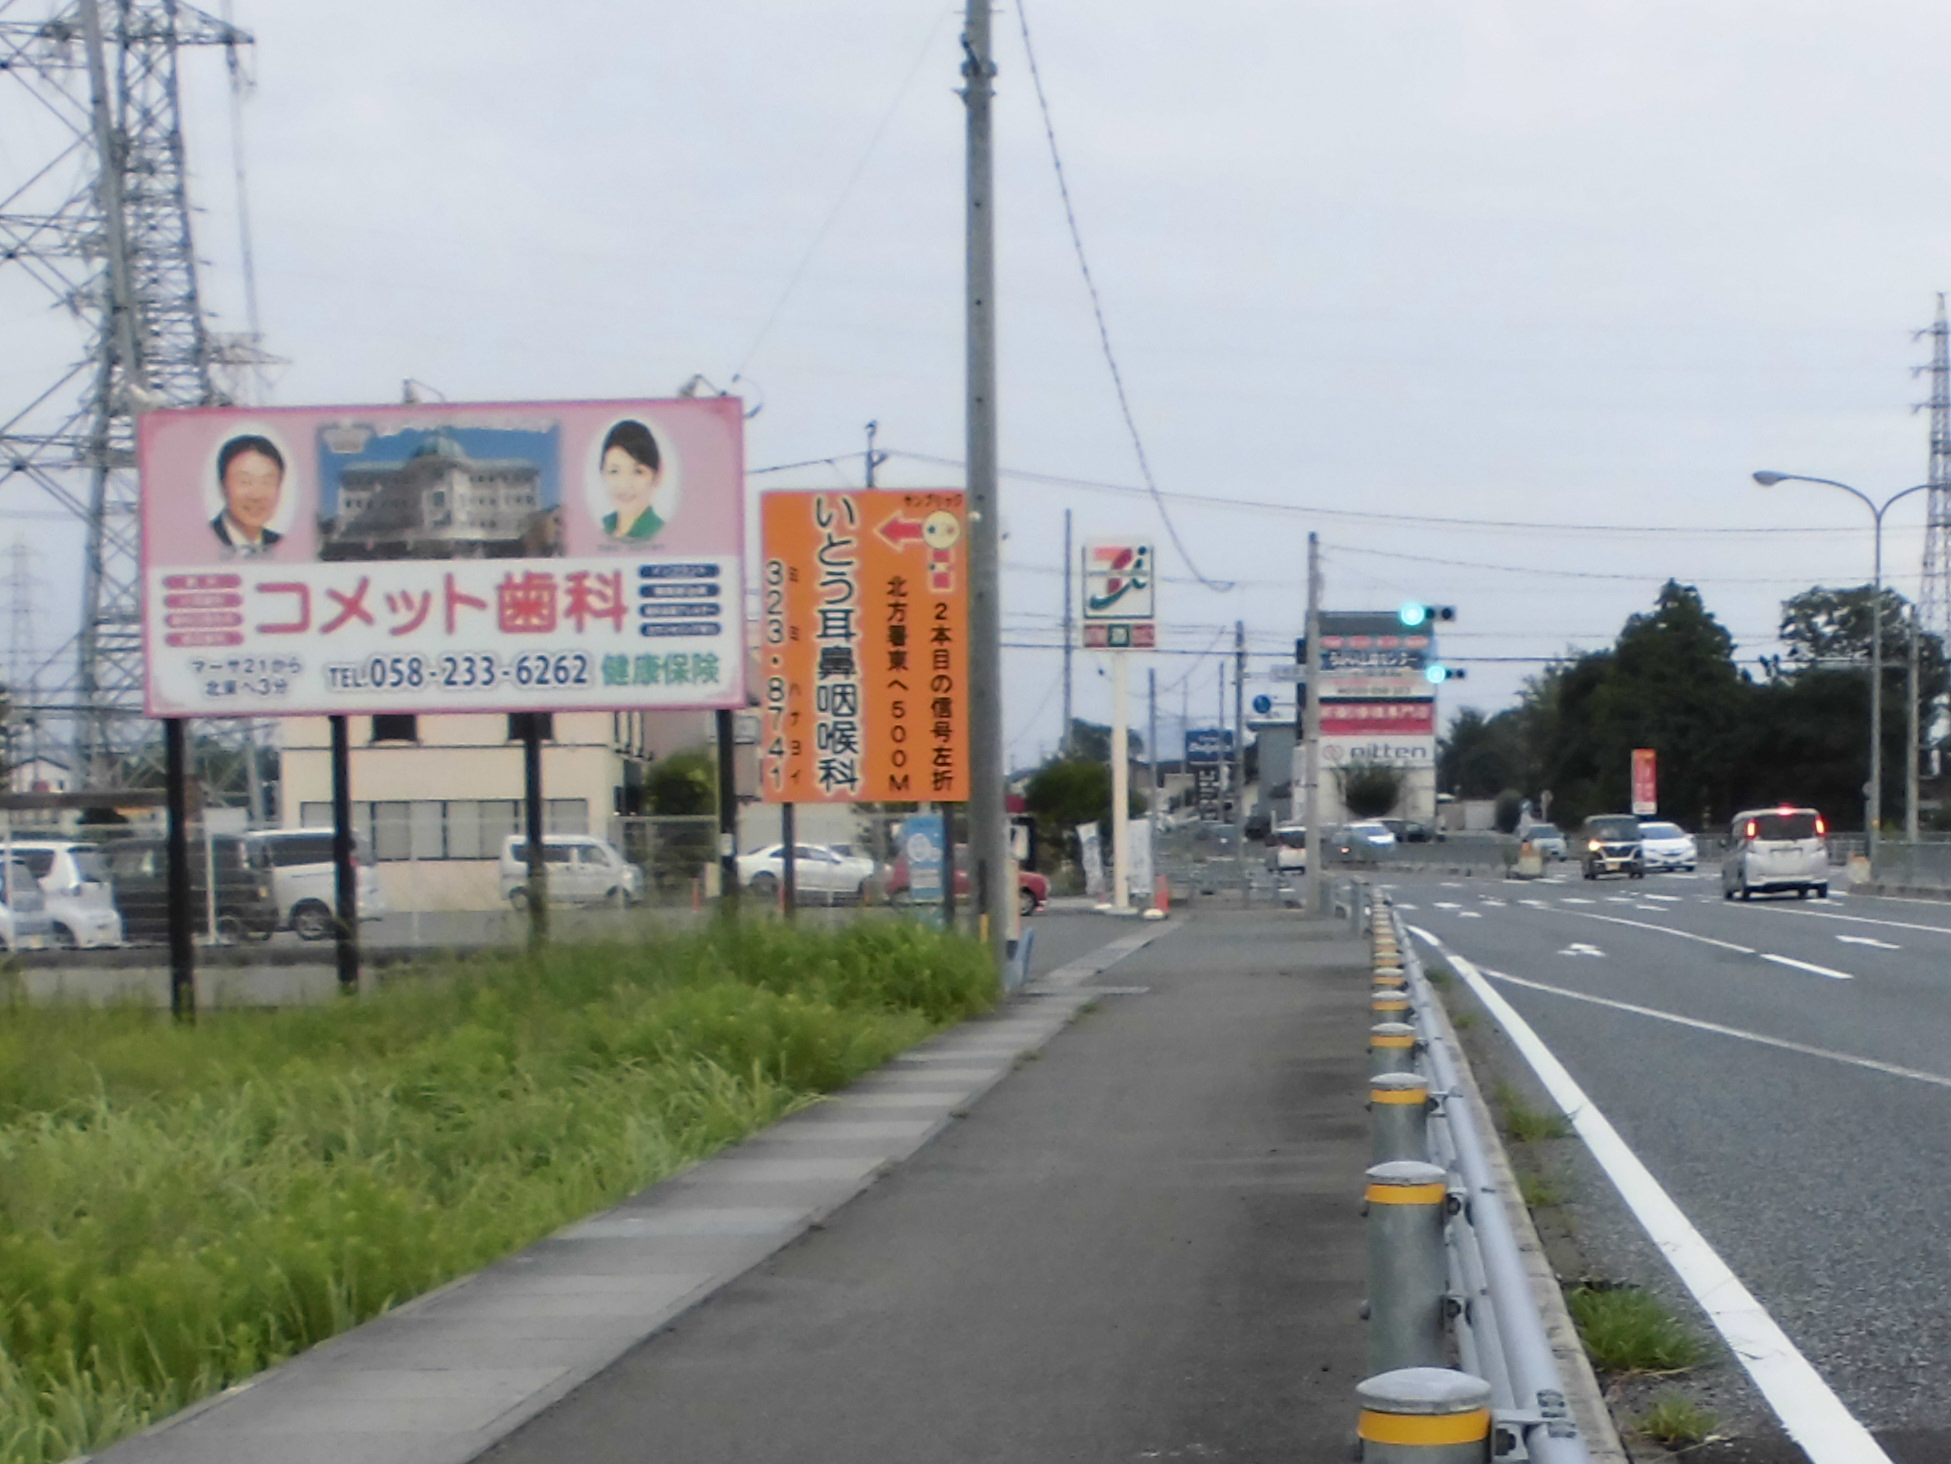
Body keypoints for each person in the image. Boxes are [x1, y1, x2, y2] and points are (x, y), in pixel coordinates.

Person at [210, 435, 286, 554]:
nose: (256, 495)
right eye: (244, 481)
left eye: (266, 482)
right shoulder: (201, 540)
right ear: (222, 486)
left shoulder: (279, 544)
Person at [599, 420, 667, 541]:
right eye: (614, 471)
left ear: (657, 475)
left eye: (638, 471)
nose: (624, 484)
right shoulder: (604, 529)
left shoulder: (661, 532)